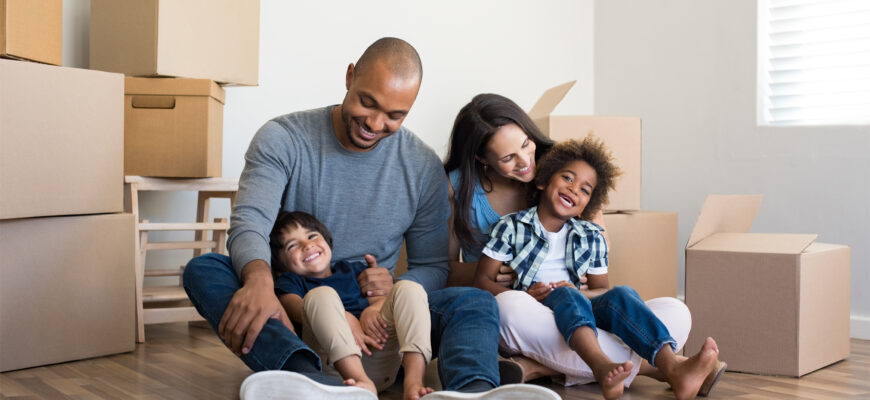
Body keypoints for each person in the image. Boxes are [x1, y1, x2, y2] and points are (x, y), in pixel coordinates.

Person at [183, 38, 559, 400]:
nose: (376, 124)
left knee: (475, 302)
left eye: (395, 115)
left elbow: (431, 264)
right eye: (368, 103)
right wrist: (260, 281)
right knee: (206, 270)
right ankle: (306, 377)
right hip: (295, 307)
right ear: (350, 77)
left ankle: (473, 390)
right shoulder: (283, 138)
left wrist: (390, 292)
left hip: (382, 327)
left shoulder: (422, 166)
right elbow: (250, 221)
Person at [443, 93, 724, 395]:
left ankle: (536, 367)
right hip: (523, 309)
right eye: (509, 157)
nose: (527, 162)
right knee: (510, 306)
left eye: (525, 144)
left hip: (579, 306)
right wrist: (499, 275)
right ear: (481, 159)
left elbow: (600, 278)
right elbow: (445, 270)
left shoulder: (566, 171)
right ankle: (659, 368)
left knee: (675, 311)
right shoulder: (490, 211)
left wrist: (582, 289)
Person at [270, 210, 433, 399]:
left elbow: (379, 299)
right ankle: (360, 381)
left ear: (327, 239)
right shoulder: (291, 283)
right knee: (320, 295)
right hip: (336, 367)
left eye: (312, 236)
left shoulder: (352, 269)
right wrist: (344, 318)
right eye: (292, 246)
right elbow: (296, 309)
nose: (307, 245)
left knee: (408, 288)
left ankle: (414, 382)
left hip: (380, 355)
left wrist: (373, 309)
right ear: (281, 265)